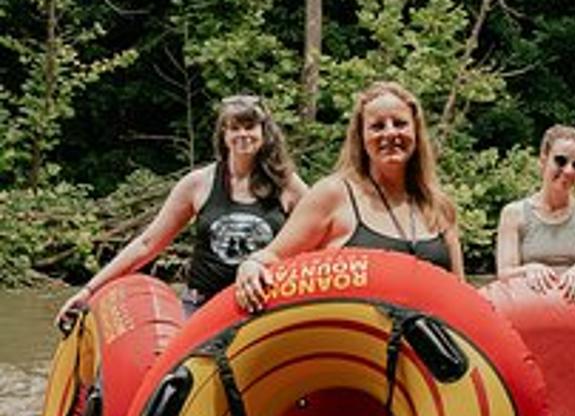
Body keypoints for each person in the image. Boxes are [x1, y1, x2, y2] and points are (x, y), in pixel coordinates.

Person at [55, 95, 307, 325]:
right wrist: (89, 291)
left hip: (261, 306)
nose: (243, 134)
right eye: (235, 128)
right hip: (202, 305)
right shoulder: (197, 183)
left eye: (250, 127)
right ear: (223, 134)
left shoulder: (287, 185)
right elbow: (147, 244)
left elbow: (324, 230)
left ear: (264, 133)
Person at [234, 81, 461, 309]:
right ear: (361, 137)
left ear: (416, 131)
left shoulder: (439, 206)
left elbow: (461, 295)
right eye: (377, 126)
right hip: (354, 341)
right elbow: (272, 256)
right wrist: (251, 265)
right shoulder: (333, 195)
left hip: (427, 340)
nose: (390, 132)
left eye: (400, 123)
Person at [495, 124, 575, 302]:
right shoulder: (514, 214)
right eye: (560, 161)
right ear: (543, 160)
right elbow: (505, 272)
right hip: (528, 310)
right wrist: (529, 269)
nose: (569, 170)